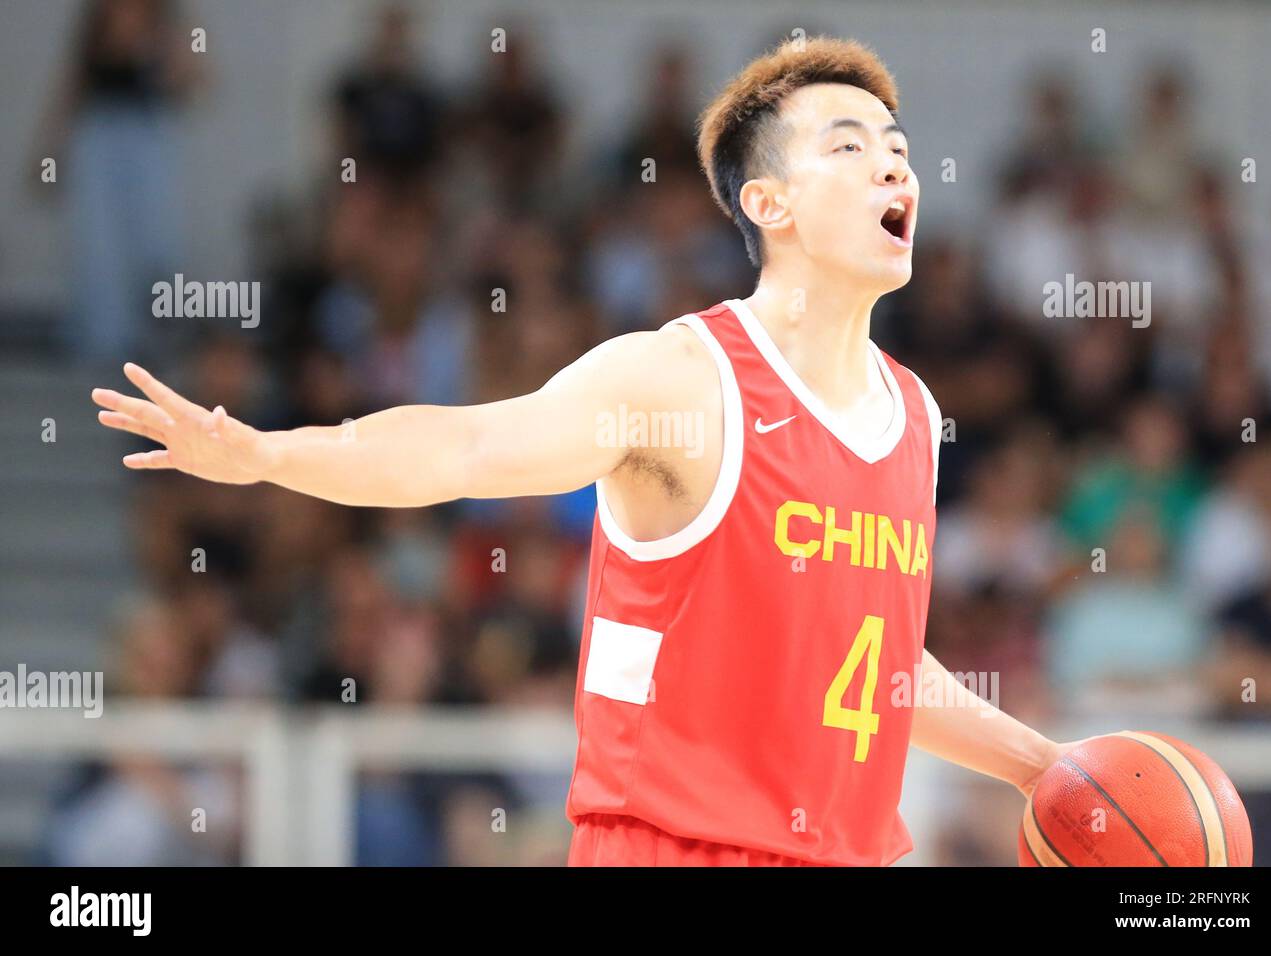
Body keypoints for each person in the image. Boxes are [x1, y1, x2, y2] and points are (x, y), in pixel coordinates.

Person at [92, 36, 1086, 866]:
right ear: (768, 204)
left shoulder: (910, 411)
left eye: (899, 147)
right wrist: (271, 453)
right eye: (849, 143)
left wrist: (1042, 762)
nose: (893, 165)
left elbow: (875, 661)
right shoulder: (678, 380)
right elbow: (468, 443)